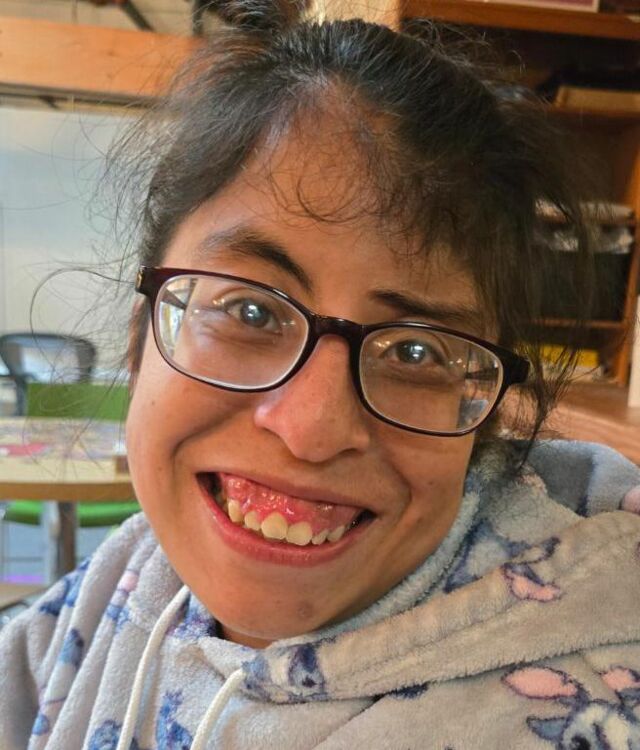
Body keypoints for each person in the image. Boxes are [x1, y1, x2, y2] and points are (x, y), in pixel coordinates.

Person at [2, 3, 640, 748]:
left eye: (416, 353)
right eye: (249, 311)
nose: (311, 429)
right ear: (144, 336)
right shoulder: (134, 570)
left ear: (485, 418)